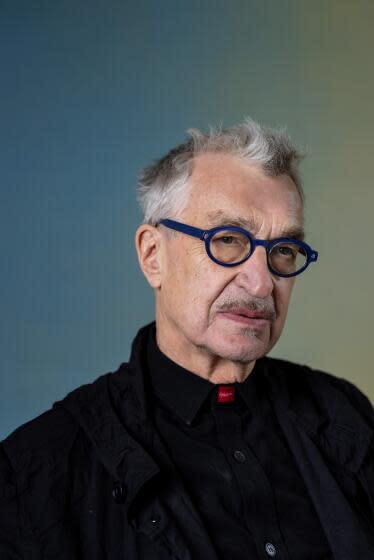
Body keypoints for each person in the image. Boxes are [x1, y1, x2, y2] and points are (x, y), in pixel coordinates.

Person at [0, 119, 373, 559]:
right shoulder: (36, 472)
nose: (261, 283)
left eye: (283, 251)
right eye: (228, 239)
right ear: (153, 256)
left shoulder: (343, 413)